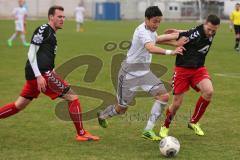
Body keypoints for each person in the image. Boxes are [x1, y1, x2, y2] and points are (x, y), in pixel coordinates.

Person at [0, 5, 99, 142]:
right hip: (40, 74)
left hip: (39, 74)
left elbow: (45, 58)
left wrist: (53, 75)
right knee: (73, 97)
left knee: (19, 105)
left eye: (63, 17)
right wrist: (39, 75)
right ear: (51, 17)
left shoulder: (52, 34)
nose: (62, 19)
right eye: (59, 16)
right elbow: (31, 52)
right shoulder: (44, 29)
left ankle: (81, 133)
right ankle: (81, 133)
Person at [97, 6, 186, 141]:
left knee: (163, 96)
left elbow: (157, 39)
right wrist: (171, 51)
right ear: (146, 19)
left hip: (144, 73)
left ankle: (148, 130)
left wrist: (175, 42)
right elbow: (150, 47)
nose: (157, 25)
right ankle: (103, 115)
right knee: (122, 109)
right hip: (129, 74)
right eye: (154, 21)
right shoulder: (141, 31)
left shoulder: (151, 31)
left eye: (159, 22)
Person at [159, 15, 220, 138]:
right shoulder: (193, 35)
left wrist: (178, 30)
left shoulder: (209, 31)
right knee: (176, 104)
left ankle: (193, 122)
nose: (211, 32)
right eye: (209, 29)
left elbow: (191, 30)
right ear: (205, 24)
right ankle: (165, 126)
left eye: (214, 30)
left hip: (198, 69)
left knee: (209, 91)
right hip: (182, 70)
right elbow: (161, 39)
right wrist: (172, 41)